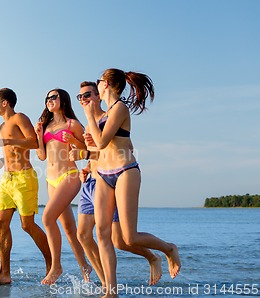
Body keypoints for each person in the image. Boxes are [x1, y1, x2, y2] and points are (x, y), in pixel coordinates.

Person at [83, 70, 181, 297]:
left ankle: (169, 248)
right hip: (103, 175)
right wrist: (89, 146)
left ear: (105, 84)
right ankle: (111, 291)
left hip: (125, 172)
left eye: (98, 82)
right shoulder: (107, 112)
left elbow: (104, 140)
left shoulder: (119, 108)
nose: (96, 85)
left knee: (129, 237)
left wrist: (89, 118)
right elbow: (101, 146)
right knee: (103, 234)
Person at [70, 81, 163, 288]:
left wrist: (86, 152)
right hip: (93, 180)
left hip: (113, 178)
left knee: (121, 241)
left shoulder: (112, 115)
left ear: (98, 95)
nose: (83, 99)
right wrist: (87, 165)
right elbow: (99, 155)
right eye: (80, 97)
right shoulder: (91, 124)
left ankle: (153, 256)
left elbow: (115, 149)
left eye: (87, 95)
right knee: (84, 235)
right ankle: (107, 285)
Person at [0, 88, 52, 285]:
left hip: (24, 177)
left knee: (27, 225)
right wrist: (1, 161)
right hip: (7, 179)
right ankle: (4, 273)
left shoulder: (19, 117)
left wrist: (7, 141)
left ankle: (52, 265)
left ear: (5, 103)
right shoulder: (2, 125)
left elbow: (32, 142)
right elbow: (12, 150)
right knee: (0, 223)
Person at [34, 88, 92, 285]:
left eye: (53, 97)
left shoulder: (72, 124)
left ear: (63, 100)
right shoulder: (46, 125)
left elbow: (90, 147)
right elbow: (42, 157)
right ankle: (85, 267)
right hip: (51, 180)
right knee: (68, 228)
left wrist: (74, 140)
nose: (49, 100)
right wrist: (39, 136)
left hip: (69, 175)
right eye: (47, 97)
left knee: (47, 217)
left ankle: (56, 266)